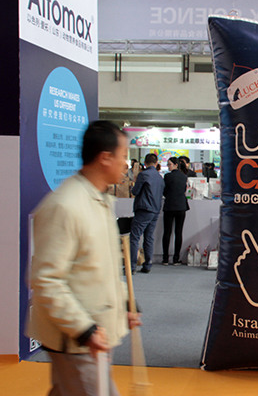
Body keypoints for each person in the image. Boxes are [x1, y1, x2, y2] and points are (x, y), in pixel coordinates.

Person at [27, 120, 142, 396]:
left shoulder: (99, 201)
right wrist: (85, 329)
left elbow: (101, 268)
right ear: (105, 158)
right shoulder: (65, 206)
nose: (127, 164)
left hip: (95, 334)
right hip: (77, 341)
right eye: (124, 157)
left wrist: (125, 303)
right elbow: (45, 280)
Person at [130, 153, 165, 274]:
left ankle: (132, 266)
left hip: (144, 209)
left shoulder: (143, 175)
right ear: (156, 163)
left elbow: (135, 191)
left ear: (145, 163)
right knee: (149, 237)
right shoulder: (160, 177)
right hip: (155, 210)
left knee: (134, 237)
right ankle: (148, 264)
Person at [162, 157, 190, 265]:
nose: (168, 166)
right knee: (178, 232)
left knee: (167, 232)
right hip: (181, 206)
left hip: (169, 206)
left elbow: (165, 191)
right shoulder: (184, 177)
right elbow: (183, 190)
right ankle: (176, 258)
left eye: (169, 164)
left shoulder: (167, 176)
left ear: (175, 165)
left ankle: (165, 258)